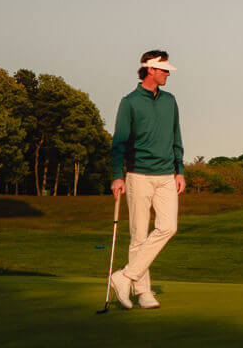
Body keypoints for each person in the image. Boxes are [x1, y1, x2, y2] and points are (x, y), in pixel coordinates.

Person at [108, 50, 185, 310]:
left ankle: (125, 276)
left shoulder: (170, 101)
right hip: (138, 175)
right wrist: (117, 176)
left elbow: (176, 137)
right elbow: (119, 142)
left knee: (168, 227)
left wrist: (180, 170)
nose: (167, 74)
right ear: (150, 69)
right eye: (164, 70)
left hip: (166, 176)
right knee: (139, 235)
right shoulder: (129, 102)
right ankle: (143, 293)